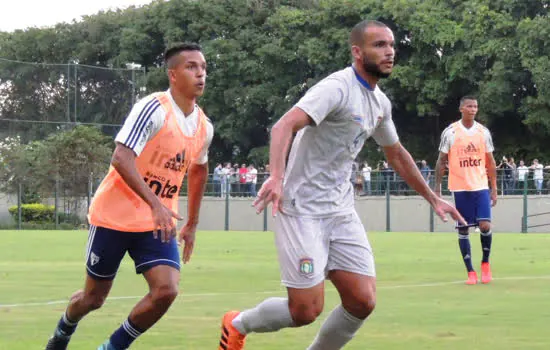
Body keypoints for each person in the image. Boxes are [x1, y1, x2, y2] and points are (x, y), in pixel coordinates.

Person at [217, 20, 465, 350]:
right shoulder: (336, 88)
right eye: (379, 45)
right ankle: (237, 324)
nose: (389, 51)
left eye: (392, 45)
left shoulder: (380, 103)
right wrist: (276, 177)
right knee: (305, 310)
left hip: (341, 211)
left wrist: (433, 198)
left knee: (362, 301)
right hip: (302, 210)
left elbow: (396, 154)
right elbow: (283, 126)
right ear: (357, 52)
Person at [45, 42, 213, 350]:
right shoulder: (153, 108)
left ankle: (112, 347)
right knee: (93, 298)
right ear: (173, 75)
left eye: (203, 67)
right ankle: (63, 330)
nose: (200, 73)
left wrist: (192, 222)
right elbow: (121, 158)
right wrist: (156, 205)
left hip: (155, 223)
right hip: (114, 216)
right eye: (191, 67)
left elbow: (199, 170)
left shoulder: (204, 126)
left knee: (166, 291)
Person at [434, 96, 497, 285]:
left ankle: (485, 264)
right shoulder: (451, 132)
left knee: (485, 225)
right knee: (463, 228)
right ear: (461, 108)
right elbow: (441, 161)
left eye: (476, 106)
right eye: (469, 106)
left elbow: (491, 162)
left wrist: (494, 188)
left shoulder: (483, 132)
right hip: (460, 187)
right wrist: (436, 188)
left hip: (480, 185)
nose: (473, 109)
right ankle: (470, 272)